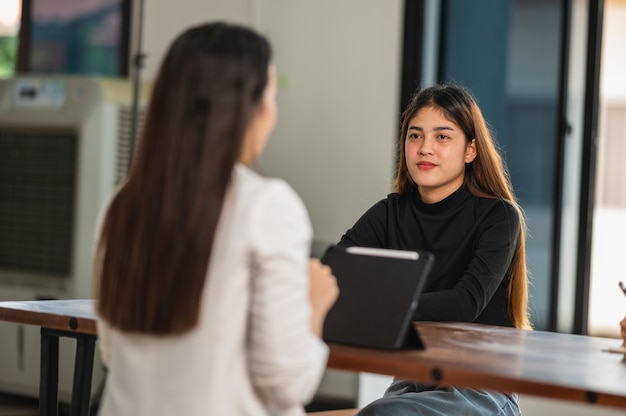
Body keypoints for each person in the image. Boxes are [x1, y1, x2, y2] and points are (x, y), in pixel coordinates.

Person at [93, 22, 338, 416]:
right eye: (272, 96)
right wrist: (315, 305)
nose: (274, 112)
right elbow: (286, 382)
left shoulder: (121, 203)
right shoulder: (267, 206)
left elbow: (111, 350)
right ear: (247, 108)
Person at [332, 84, 531, 416]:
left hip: (483, 386)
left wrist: (380, 303)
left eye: (442, 137)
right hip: (411, 381)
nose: (425, 148)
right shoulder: (390, 212)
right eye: (415, 136)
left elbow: (465, 303)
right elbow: (336, 275)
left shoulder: (498, 216)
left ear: (470, 150)